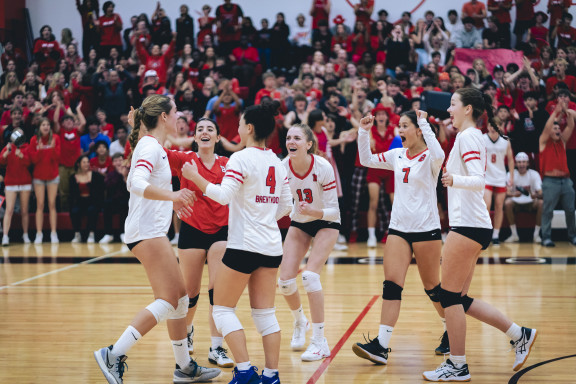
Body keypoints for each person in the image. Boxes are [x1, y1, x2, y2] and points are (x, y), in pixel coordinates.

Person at [93, 96, 221, 384]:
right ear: (163, 117)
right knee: (170, 298)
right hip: (146, 233)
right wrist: (173, 196)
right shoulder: (150, 147)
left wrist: (170, 203)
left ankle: (184, 368)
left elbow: (149, 183)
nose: (179, 116)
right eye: (176, 112)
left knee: (180, 300)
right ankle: (113, 354)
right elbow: (135, 183)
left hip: (150, 230)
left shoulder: (153, 146)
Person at [423, 88, 537, 381]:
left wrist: (452, 179)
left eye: (453, 105)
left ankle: (457, 365)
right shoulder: (469, 136)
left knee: (447, 297)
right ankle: (518, 333)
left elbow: (478, 179)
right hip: (474, 225)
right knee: (458, 299)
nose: (449, 110)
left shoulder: (468, 136)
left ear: (468, 109)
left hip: (468, 225)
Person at [181, 100, 292, 384]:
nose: (238, 128)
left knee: (221, 308)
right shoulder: (278, 163)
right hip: (271, 246)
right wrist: (264, 217)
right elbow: (286, 206)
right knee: (265, 314)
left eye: (241, 124)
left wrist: (195, 177)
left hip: (244, 245)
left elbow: (223, 196)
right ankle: (271, 375)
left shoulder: (240, 159)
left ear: (250, 128)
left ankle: (243, 370)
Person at [352, 110, 446, 364]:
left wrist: (424, 121)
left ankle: (450, 329)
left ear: (418, 130)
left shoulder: (430, 157)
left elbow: (439, 154)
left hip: (426, 230)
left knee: (433, 287)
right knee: (391, 285)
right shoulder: (397, 155)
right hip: (398, 229)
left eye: (405, 126)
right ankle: (381, 345)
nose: (400, 131)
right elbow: (366, 159)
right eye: (399, 126)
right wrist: (363, 131)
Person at [165, 118, 234, 368]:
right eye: (200, 130)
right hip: (192, 229)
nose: (205, 132)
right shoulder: (184, 159)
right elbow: (153, 158)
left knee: (217, 292)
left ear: (217, 138)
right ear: (194, 137)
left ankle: (217, 348)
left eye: (210, 129)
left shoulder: (228, 164)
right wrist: (172, 197)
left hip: (221, 232)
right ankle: (189, 329)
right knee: (190, 295)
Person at [278, 123, 340, 362]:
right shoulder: (283, 168)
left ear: (308, 144)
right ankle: (299, 321)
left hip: (326, 221)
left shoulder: (323, 166)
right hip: (301, 221)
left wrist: (315, 212)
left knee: (310, 276)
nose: (290, 141)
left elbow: (334, 211)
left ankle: (320, 341)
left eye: (296, 138)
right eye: (288, 138)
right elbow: (282, 205)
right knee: (284, 282)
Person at [539, 102, 576, 247]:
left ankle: (572, 236)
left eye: (558, 128)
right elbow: (547, 127)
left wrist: (567, 112)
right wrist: (556, 113)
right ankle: (546, 237)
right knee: (548, 210)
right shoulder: (543, 141)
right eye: (554, 128)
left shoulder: (562, 141)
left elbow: (571, 126)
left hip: (566, 181)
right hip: (550, 181)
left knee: (570, 210)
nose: (557, 130)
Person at [29, 118, 60, 244]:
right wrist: (40, 150)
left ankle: (54, 233)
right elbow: (33, 160)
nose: (46, 127)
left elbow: (57, 157)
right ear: (39, 127)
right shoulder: (34, 140)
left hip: (52, 176)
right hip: (39, 177)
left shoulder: (55, 139)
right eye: (43, 125)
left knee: (52, 204)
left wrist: (51, 149)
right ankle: (39, 233)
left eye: (48, 124)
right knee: (40, 205)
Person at [484, 123, 515, 245]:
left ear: (500, 127)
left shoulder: (505, 140)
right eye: (490, 125)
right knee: (486, 205)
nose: (492, 128)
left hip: (500, 177)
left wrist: (511, 176)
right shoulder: (482, 138)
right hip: (486, 177)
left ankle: (496, 235)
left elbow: (511, 159)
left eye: (495, 126)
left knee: (498, 206)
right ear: (487, 126)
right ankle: (486, 233)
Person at [505, 152, 543, 243]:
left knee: (541, 203)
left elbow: (541, 192)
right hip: (516, 201)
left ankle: (536, 235)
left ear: (527, 163)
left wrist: (536, 195)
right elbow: (506, 192)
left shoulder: (534, 174)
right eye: (519, 162)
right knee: (507, 203)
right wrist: (514, 195)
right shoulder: (511, 174)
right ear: (516, 164)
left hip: (530, 202)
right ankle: (514, 235)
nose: (521, 164)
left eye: (524, 162)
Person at [0, 139, 32, 246]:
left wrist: (21, 156)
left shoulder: (27, 147)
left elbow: (30, 162)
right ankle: (5, 236)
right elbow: (1, 162)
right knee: (9, 210)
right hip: (11, 182)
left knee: (24, 210)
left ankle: (25, 234)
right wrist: (5, 153)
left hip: (25, 182)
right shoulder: (8, 147)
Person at [69, 155, 105, 243]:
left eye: (88, 162)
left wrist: (90, 184)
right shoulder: (73, 177)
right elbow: (72, 194)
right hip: (80, 201)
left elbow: (100, 190)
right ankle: (77, 235)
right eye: (84, 162)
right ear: (78, 164)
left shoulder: (95, 175)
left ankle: (91, 234)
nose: (86, 164)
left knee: (92, 210)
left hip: (92, 201)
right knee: (74, 211)